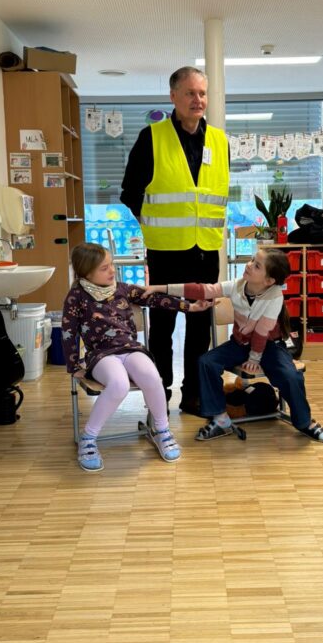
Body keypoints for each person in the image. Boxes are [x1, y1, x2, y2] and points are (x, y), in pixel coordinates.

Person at [120, 66, 229, 416]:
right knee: (163, 327)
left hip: (205, 250)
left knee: (199, 328)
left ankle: (194, 394)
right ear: (173, 96)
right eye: (190, 93)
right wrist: (152, 225)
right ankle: (160, 395)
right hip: (166, 251)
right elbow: (130, 192)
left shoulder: (220, 141)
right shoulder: (151, 137)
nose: (198, 100)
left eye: (202, 93)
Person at [143, 248, 323, 443]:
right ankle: (220, 419)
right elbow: (201, 290)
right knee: (206, 362)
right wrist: (160, 288)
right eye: (252, 260)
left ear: (269, 280)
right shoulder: (237, 286)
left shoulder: (275, 296)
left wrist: (254, 358)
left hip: (270, 346)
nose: (249, 265)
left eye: (256, 265)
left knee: (290, 375)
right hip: (240, 344)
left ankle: (304, 422)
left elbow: (262, 331)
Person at [61, 242, 212, 473]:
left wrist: (189, 307)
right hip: (101, 355)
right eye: (104, 268)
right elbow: (68, 331)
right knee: (119, 384)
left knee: (153, 377)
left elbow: (155, 299)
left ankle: (162, 430)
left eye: (111, 264)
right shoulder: (76, 296)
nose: (112, 271)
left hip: (131, 349)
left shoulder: (122, 288)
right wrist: (73, 365)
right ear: (86, 273)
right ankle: (88, 438)